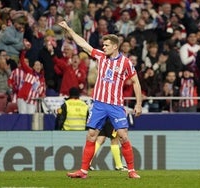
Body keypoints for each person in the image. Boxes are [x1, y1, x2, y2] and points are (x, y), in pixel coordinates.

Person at [58, 21, 142, 179]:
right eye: (103, 45)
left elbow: (136, 82)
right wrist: (69, 28)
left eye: (107, 45)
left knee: (123, 136)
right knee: (91, 135)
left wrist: (138, 103)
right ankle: (83, 171)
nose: (103, 47)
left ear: (115, 46)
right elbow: (83, 44)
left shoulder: (125, 62)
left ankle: (131, 171)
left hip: (116, 105)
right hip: (99, 104)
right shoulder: (101, 57)